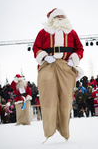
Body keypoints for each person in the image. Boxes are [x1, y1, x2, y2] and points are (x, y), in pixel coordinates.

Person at [32, 8, 84, 141]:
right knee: (48, 97)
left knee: (66, 99)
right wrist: (44, 57)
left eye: (62, 15)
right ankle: (49, 129)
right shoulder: (43, 33)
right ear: (51, 18)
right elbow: (36, 48)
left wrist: (74, 59)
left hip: (66, 66)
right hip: (48, 65)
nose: (59, 17)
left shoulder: (72, 33)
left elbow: (79, 48)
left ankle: (64, 130)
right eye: (57, 16)